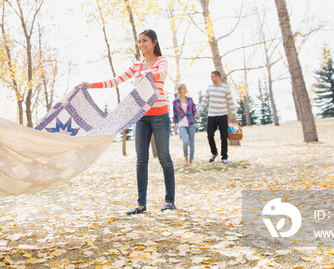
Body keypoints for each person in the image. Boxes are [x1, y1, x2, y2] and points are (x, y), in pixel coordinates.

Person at [81, 29, 175, 214]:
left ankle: (170, 201)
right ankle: (141, 204)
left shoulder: (160, 61)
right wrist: (91, 85)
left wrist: (151, 75)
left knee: (164, 157)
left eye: (145, 41)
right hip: (140, 116)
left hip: (160, 115)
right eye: (139, 41)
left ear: (154, 42)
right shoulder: (137, 66)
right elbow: (116, 80)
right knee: (141, 160)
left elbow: (162, 74)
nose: (141, 45)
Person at [198, 71, 237, 165]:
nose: (211, 78)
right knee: (210, 135)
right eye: (211, 77)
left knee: (224, 137)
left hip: (223, 115)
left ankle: (224, 157)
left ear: (218, 77)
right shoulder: (209, 88)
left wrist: (234, 115)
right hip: (211, 115)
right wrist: (199, 112)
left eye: (212, 77)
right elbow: (204, 101)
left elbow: (231, 102)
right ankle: (214, 152)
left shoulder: (225, 88)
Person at [172, 83, 199, 166]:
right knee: (185, 141)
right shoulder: (175, 102)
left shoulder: (190, 99)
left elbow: (194, 110)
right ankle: (186, 158)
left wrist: (196, 115)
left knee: (191, 143)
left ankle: (191, 160)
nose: (185, 89)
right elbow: (175, 115)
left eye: (185, 88)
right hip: (181, 124)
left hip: (191, 123)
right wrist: (175, 126)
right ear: (180, 90)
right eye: (184, 88)